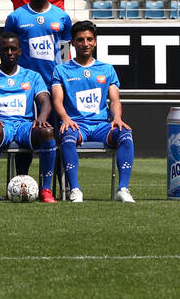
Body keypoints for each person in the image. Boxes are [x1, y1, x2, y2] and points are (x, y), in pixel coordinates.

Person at [51, 21, 134, 203]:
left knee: (125, 134)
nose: (85, 43)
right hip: (76, 125)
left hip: (101, 126)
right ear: (72, 43)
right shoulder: (61, 69)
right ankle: (75, 190)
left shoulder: (106, 69)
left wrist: (117, 117)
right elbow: (57, 100)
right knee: (67, 135)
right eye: (80, 40)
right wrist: (65, 118)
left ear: (95, 42)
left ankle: (123, 189)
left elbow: (114, 100)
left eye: (89, 39)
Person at [2, 0, 72, 175]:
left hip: (53, 85)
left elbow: (65, 52)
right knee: (26, 134)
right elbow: (8, 48)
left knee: (54, 135)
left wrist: (63, 79)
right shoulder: (16, 17)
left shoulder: (62, 17)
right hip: (24, 86)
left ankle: (55, 185)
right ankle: (22, 180)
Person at [0, 32, 55, 203]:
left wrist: (42, 117)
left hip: (25, 126)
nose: (9, 52)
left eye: (13, 49)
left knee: (47, 131)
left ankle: (46, 190)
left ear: (20, 51)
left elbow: (45, 101)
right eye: (5, 49)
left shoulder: (32, 76)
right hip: (3, 125)